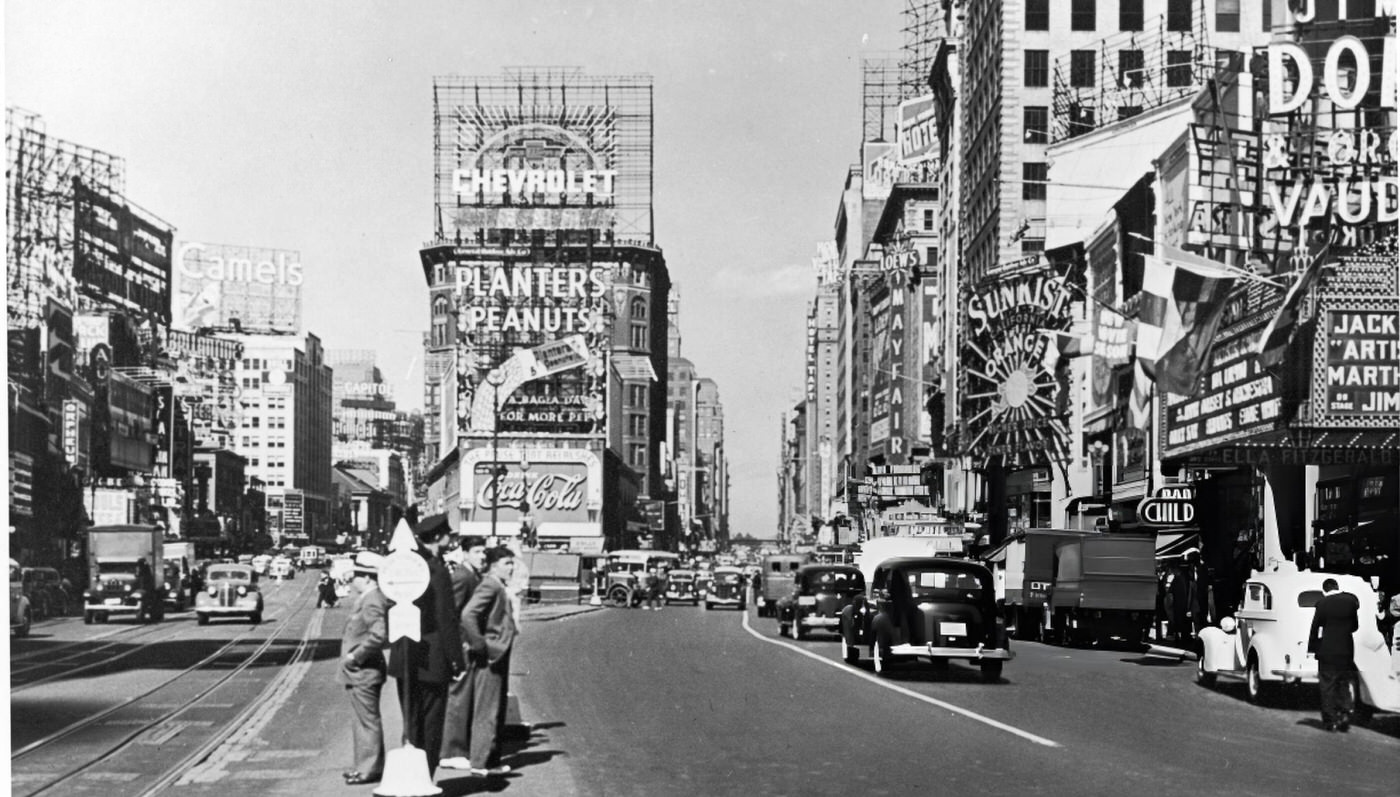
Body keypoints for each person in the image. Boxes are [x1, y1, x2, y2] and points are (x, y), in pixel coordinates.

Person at [388, 514, 465, 776]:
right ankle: (424, 779)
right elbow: (446, 619)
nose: (450, 540)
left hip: (405, 657)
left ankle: (408, 778)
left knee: (411, 724)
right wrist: (457, 659)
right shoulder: (436, 570)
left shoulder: (404, 566)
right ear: (436, 539)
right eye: (447, 536)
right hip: (433, 660)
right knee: (431, 725)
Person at [459, 546, 518, 777]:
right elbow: (467, 614)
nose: (511, 568)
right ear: (494, 566)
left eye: (512, 563)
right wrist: (481, 644)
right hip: (491, 654)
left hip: (498, 653)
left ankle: (491, 760)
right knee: (488, 709)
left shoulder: (497, 585)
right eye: (506, 564)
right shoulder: (491, 584)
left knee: (496, 707)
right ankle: (480, 761)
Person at [339, 551, 388, 786]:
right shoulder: (369, 598)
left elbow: (379, 634)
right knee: (362, 721)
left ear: (368, 578)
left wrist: (355, 656)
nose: (352, 579)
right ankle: (365, 765)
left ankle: (369, 769)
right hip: (361, 672)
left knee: (367, 721)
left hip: (364, 670)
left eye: (357, 575)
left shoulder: (372, 600)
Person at [440, 537, 487, 770]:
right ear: (465, 553)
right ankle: (452, 750)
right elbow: (453, 613)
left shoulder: (473, 575)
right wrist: (462, 644)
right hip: (463, 646)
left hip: (468, 644)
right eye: (477, 551)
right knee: (459, 696)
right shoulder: (462, 576)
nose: (482, 556)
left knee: (466, 695)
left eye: (483, 552)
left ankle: (460, 746)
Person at [1308, 577, 1361, 732]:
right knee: (1344, 682)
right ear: (1337, 587)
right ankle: (1344, 713)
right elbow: (1355, 626)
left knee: (1327, 685)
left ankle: (1330, 721)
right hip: (1346, 648)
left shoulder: (1322, 604)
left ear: (1325, 590)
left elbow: (1315, 627)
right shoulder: (1351, 601)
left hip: (1328, 649)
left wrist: (1312, 648)